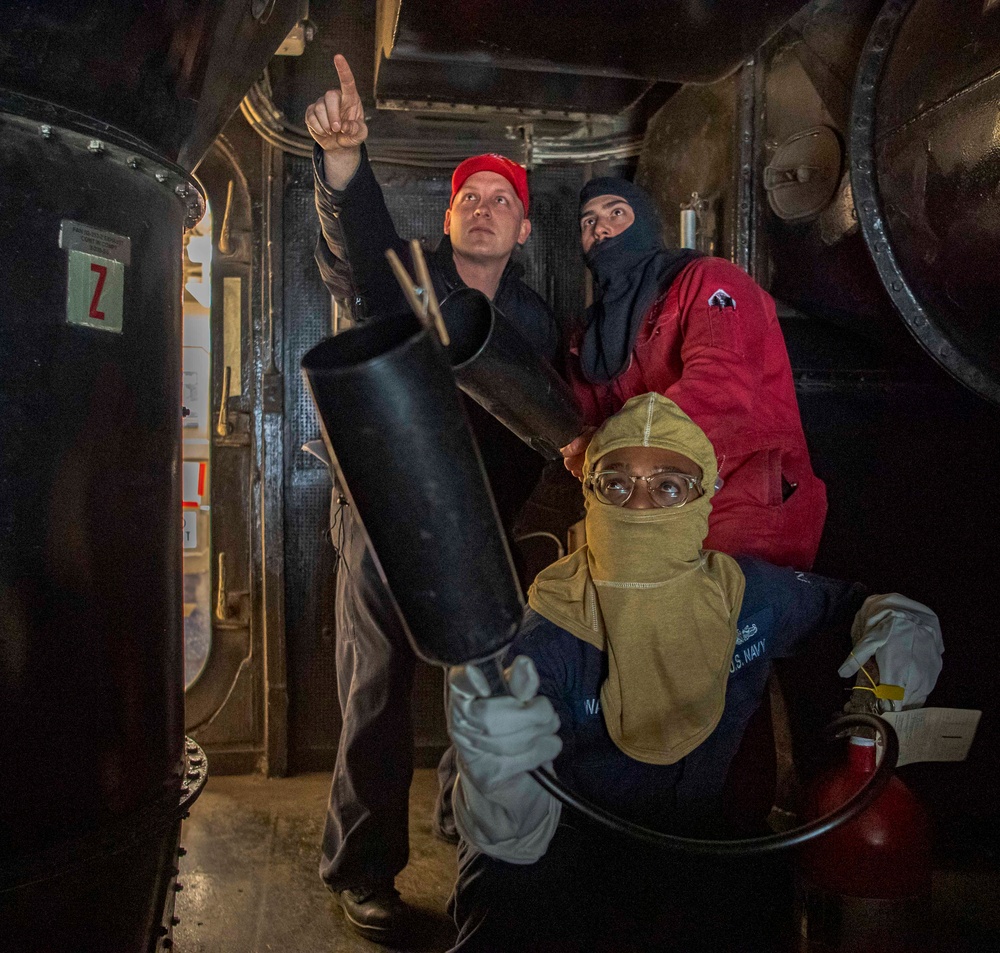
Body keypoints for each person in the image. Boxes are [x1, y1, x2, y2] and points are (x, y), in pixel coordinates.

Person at [446, 393, 943, 952]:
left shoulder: (743, 598)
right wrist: (502, 795)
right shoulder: (543, 642)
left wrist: (899, 623)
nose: (638, 507)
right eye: (615, 484)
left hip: (698, 845)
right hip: (569, 850)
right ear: (589, 496)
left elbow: (846, 607)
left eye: (668, 487)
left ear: (702, 499)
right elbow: (510, 833)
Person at [304, 54, 560, 943]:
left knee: (482, 686)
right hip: (382, 514)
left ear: (523, 229)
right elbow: (357, 252)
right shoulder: (409, 277)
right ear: (448, 218)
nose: (484, 207)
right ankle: (362, 866)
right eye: (470, 197)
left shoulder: (538, 322)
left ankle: (469, 824)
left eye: (502, 199)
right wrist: (344, 168)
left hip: (481, 525)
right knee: (375, 693)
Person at [561, 178, 827, 570]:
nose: (600, 228)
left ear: (646, 225)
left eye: (616, 213)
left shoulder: (708, 280)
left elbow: (720, 385)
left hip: (741, 499)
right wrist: (581, 446)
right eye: (588, 222)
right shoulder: (593, 336)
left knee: (725, 622)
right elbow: (585, 429)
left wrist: (607, 442)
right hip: (653, 512)